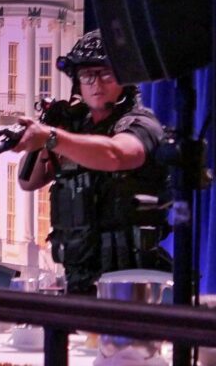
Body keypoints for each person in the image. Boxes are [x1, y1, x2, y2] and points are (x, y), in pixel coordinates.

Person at [13, 29, 171, 294]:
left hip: (133, 281)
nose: (96, 83)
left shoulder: (140, 122)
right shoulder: (74, 129)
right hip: (81, 276)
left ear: (125, 79)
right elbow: (28, 181)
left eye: (106, 73)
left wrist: (53, 137)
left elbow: (116, 154)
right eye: (87, 75)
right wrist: (47, 134)